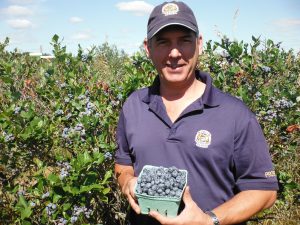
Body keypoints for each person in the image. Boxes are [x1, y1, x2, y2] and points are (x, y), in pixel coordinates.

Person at [114, 1, 278, 225]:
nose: (174, 53)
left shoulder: (235, 114)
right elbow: (123, 164)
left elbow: (264, 191)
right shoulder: (134, 106)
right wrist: (127, 183)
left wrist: (209, 220)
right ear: (148, 48)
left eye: (184, 41)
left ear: (199, 44)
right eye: (163, 42)